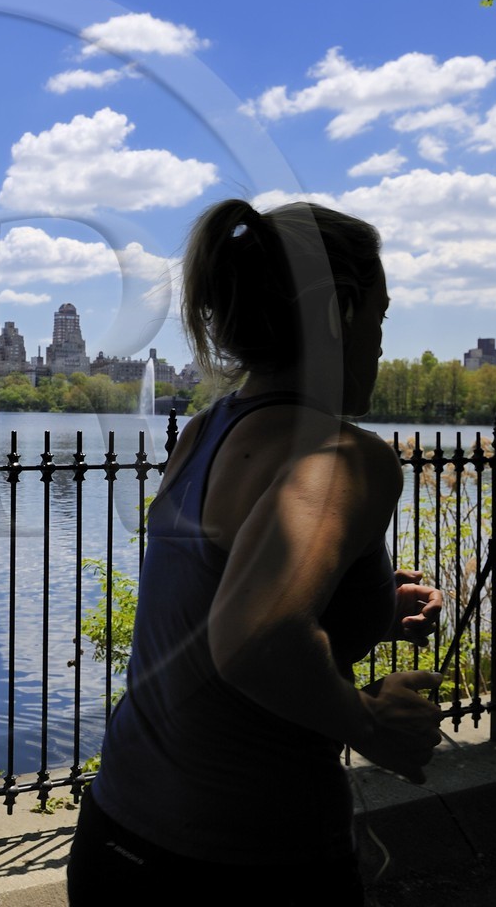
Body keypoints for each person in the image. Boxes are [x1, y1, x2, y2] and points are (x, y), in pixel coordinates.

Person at [66, 199, 444, 905]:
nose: (381, 345)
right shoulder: (338, 455)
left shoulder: (203, 432)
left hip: (115, 837)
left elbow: (214, 596)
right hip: (241, 863)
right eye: (382, 317)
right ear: (342, 313)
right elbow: (257, 637)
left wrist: (370, 607)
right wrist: (371, 725)